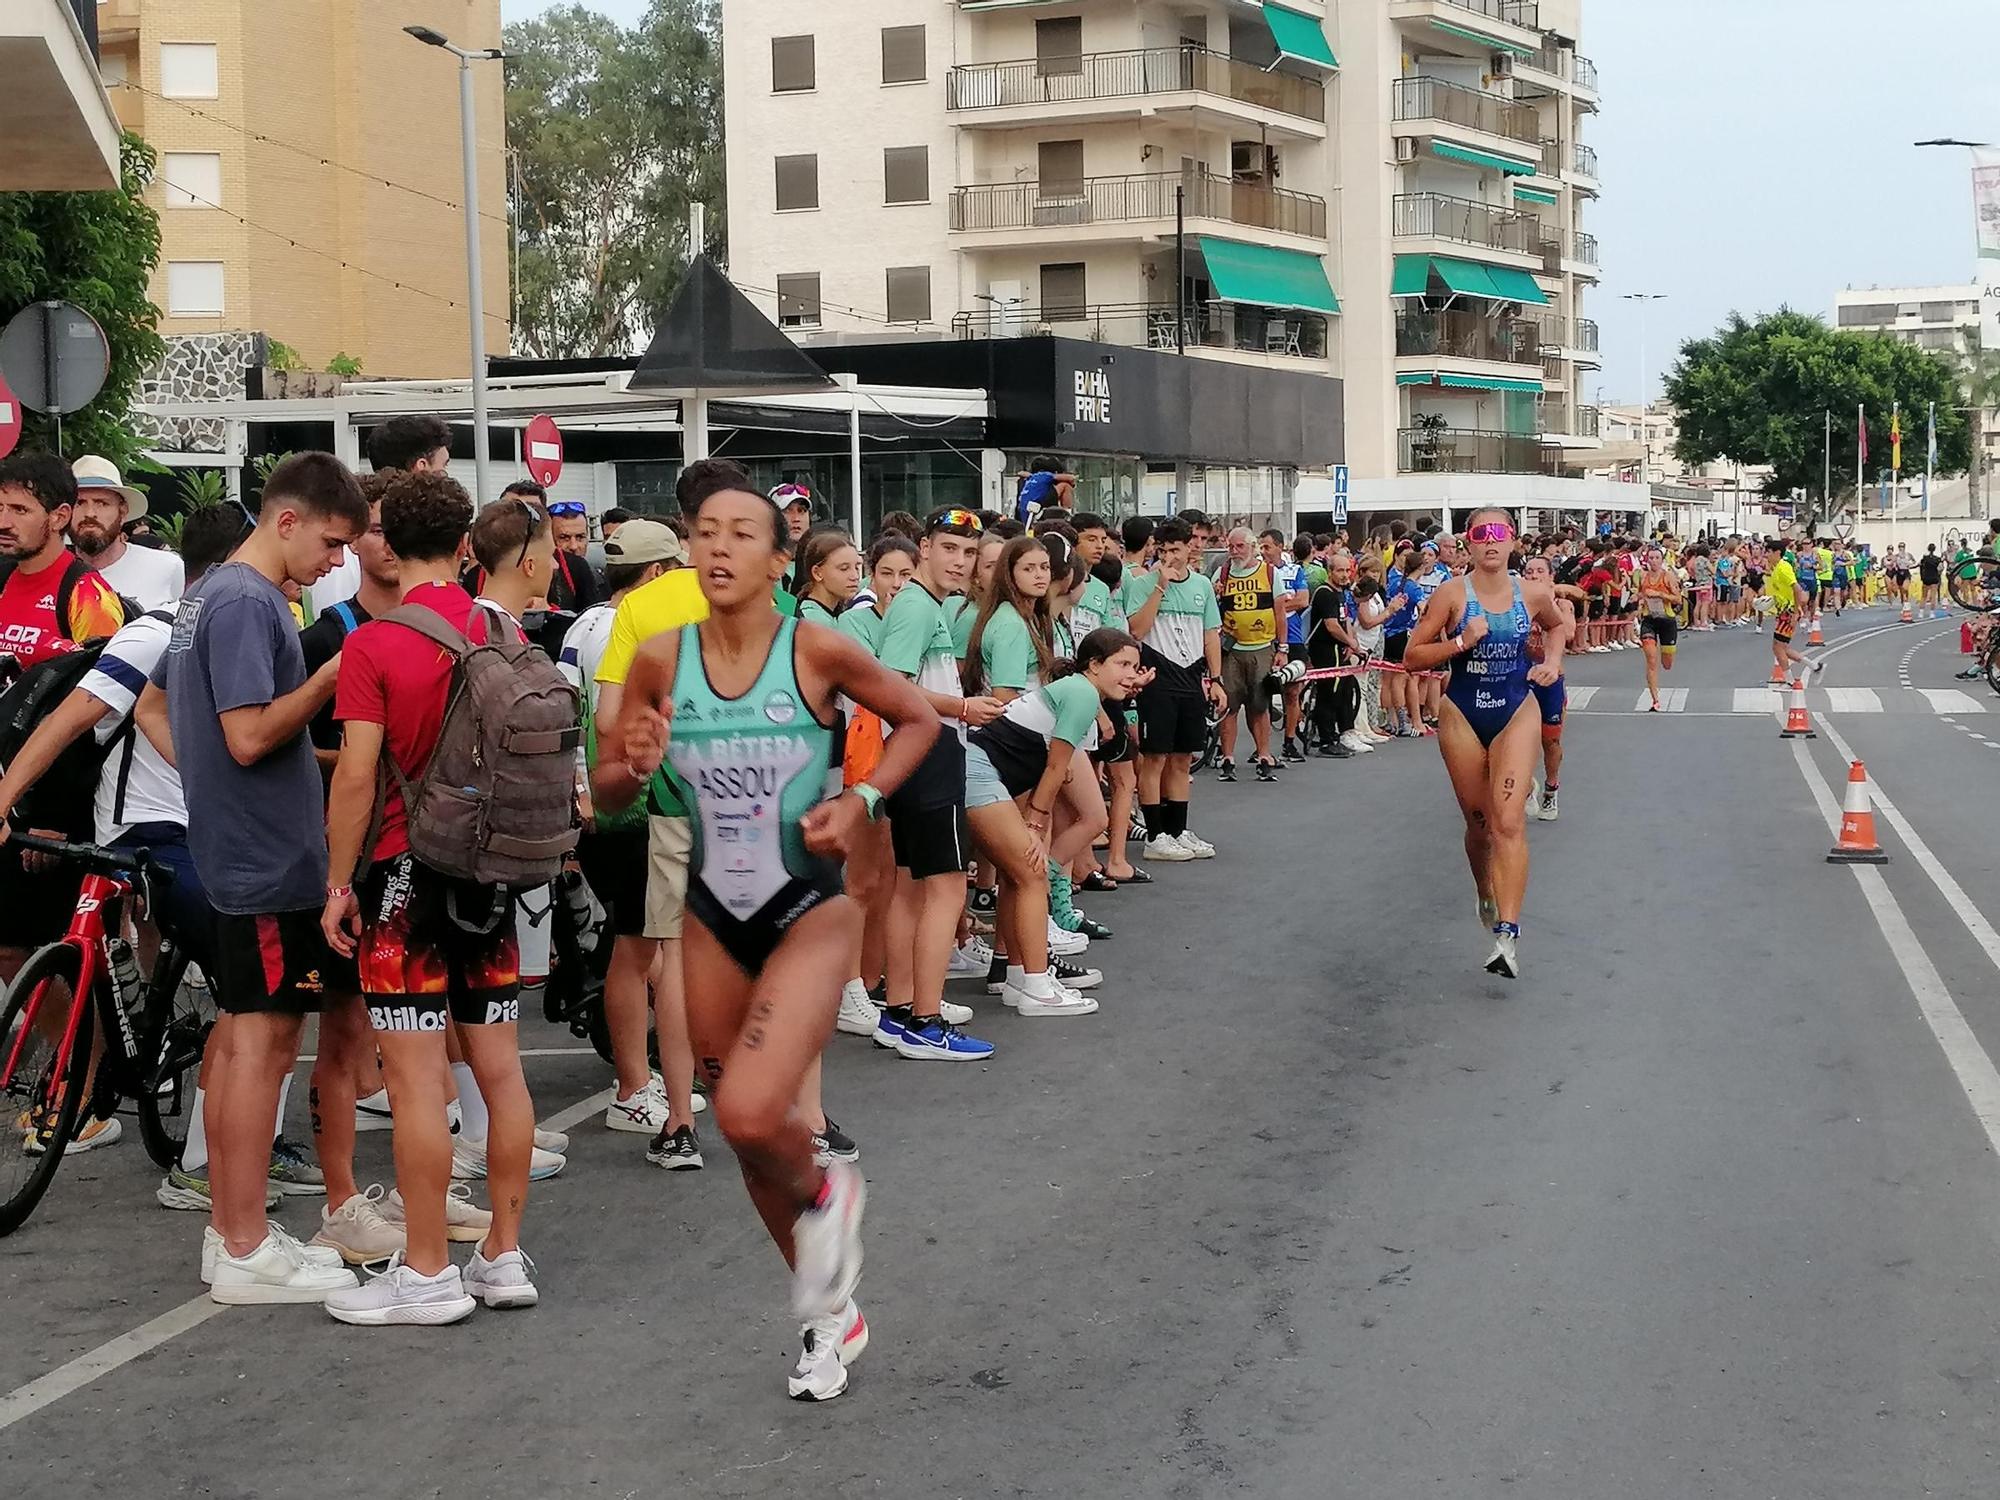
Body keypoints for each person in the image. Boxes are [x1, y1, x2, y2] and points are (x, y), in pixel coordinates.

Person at [597, 479, 944, 1401]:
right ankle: (828, 1321)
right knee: (752, 1143)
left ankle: (831, 1191)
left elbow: (919, 718)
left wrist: (862, 799)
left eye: (740, 533)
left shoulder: (818, 647)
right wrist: (628, 767)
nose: (717, 548)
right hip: (708, 910)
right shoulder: (662, 659)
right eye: (703, 532)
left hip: (810, 907)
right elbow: (607, 793)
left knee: (751, 1113)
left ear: (777, 557)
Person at [134, 452, 368, 1305]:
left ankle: (235, 1234)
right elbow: (247, 735)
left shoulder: (208, 598)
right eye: (333, 543)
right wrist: (331, 679)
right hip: (265, 858)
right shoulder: (246, 602)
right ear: (287, 521)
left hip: (244, 846)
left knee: (245, 1040)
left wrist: (207, 788)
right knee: (262, 1046)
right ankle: (241, 1244)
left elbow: (155, 708)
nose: (336, 563)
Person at [319, 471, 546, 1324]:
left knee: (415, 1083)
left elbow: (356, 776)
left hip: (402, 878)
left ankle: (424, 1273)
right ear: (463, 547)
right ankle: (503, 1255)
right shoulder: (503, 628)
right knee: (501, 1070)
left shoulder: (376, 644)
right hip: (489, 877)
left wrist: (339, 884)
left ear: (385, 544)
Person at [0, 505, 243, 1159]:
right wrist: (4, 798)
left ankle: (163, 1091)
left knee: (210, 978)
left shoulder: (237, 633)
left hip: (201, 829)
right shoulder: (155, 635)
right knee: (72, 951)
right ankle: (91, 1089)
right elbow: (68, 722)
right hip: (137, 827)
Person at [561, 520, 706, 1164]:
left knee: (641, 945)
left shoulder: (580, 627)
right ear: (656, 574)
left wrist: (578, 795)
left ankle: (642, 1080)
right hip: (642, 803)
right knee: (645, 948)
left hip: (610, 804)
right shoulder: (647, 628)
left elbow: (569, 716)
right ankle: (635, 1084)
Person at [1402, 510, 1569, 980]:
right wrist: (1459, 642)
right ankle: (1486, 894)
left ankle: (1508, 934)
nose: (1491, 541)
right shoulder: (1452, 595)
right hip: (1463, 711)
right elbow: (1413, 656)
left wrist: (1552, 663)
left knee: (1508, 821)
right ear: (1468, 544)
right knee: (1479, 826)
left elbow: (1557, 628)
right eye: (1481, 534)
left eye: (1499, 533)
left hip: (1517, 708)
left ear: (1513, 542)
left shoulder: (1533, 592)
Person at [872, 507, 999, 1061]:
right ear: (924, 547)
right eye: (949, 548)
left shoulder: (924, 606)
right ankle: (925, 1020)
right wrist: (963, 706)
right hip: (929, 754)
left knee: (910, 887)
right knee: (945, 887)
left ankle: (903, 1011)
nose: (960, 561)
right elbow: (893, 688)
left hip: (918, 756)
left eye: (969, 553)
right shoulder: (918, 608)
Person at [0, 452, 131, 982]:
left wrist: (56, 815)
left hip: (55, 808)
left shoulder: (85, 594)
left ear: (58, 516)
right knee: (9, 950)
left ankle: (93, 1064)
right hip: (6, 794)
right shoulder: (2, 579)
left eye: (19, 509)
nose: (3, 521)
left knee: (61, 958)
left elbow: (101, 717)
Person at [964, 628, 1142, 1018]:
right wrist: (1033, 822)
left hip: (981, 768)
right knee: (1031, 873)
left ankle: (1015, 976)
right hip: (976, 770)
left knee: (1017, 875)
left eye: (1135, 666)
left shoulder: (1079, 690)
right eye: (1122, 665)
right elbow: (1057, 767)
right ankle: (1037, 987)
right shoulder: (1080, 693)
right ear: (1094, 666)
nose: (1131, 674)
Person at [1128, 518, 1225, 859]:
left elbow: (1211, 634)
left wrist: (1216, 679)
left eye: (1176, 549)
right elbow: (1136, 631)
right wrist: (1160, 586)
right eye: (1164, 550)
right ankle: (1155, 836)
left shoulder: (1201, 585)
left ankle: (1177, 829)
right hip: (1158, 679)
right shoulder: (1144, 583)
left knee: (1183, 758)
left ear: (1189, 548)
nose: (1170, 556)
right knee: (1155, 758)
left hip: (1191, 679)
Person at [1213, 527, 1287, 782]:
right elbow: (1212, 610)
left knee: (1260, 705)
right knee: (1229, 706)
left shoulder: (1269, 573)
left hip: (1262, 646)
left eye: (1240, 546)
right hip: (1231, 650)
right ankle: (1227, 757)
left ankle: (1264, 754)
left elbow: (1280, 612)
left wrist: (1283, 648)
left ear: (1252, 546)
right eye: (1231, 547)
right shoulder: (1222, 573)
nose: (1234, 552)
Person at [70, 456, 184, 610]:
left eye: (102, 503)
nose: (90, 513)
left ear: (123, 512)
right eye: (79, 503)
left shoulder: (167, 567)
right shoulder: (49, 573)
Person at [1519, 554, 1581, 821]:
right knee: (1518, 738)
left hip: (1551, 681)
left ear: (1550, 576)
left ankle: (1551, 788)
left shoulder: (1562, 604)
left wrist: (1547, 598)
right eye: (1529, 572)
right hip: (1521, 677)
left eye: (1539, 572)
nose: (1533, 576)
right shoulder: (1516, 602)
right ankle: (1525, 785)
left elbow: (1567, 633)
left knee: (1550, 741)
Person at [502, 481, 600, 615]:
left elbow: (591, 623)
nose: (522, 520)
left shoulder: (575, 567)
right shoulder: (481, 570)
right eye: (512, 512)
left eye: (532, 513)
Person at [1764, 543, 1819, 687]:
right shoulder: (1777, 568)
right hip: (1783, 610)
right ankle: (1814, 666)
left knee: (1778, 647)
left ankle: (1789, 680)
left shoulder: (1783, 568)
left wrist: (1795, 611)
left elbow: (1797, 588)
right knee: (1781, 647)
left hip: (1788, 612)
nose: (1766, 554)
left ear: (1777, 553)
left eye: (1769, 551)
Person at [1636, 545, 1682, 712]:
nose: (1653, 561)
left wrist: (1660, 595)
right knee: (1651, 659)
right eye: (1651, 558)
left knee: (1667, 662)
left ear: (1662, 560)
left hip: (1667, 621)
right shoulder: (1643, 577)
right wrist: (1639, 600)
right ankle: (1655, 699)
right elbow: (1641, 595)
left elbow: (1678, 600)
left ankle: (1666, 657)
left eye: (1657, 558)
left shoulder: (1668, 577)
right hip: (1649, 620)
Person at [1919, 543, 1943, 618]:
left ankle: (1921, 612)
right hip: (1934, 578)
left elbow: (1920, 566)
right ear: (1934, 549)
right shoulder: (1937, 559)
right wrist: (1938, 573)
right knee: (1933, 596)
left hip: (1926, 578)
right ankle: (1932, 613)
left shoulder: (1924, 558)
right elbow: (1940, 568)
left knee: (1924, 596)